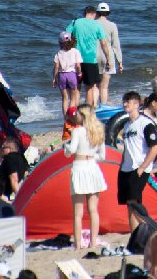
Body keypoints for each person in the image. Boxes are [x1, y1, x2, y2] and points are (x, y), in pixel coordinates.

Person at [65, 105, 107, 251]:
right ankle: (93, 242)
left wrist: (66, 145)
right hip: (93, 168)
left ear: (82, 116)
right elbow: (102, 156)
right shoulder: (99, 131)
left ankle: (78, 244)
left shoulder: (77, 131)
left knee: (78, 212)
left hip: (79, 167)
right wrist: (91, 156)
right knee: (93, 209)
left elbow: (71, 151)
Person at [118, 91, 157, 231]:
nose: (125, 104)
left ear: (136, 104)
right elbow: (128, 148)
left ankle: (136, 234)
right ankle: (140, 233)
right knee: (131, 203)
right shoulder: (126, 126)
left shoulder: (145, 123)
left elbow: (155, 146)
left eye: (128, 102)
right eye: (124, 101)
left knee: (133, 202)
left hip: (139, 168)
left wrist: (143, 167)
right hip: (126, 168)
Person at [67, 6, 114, 108]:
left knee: (76, 89)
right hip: (90, 60)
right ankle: (87, 113)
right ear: (94, 14)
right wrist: (108, 59)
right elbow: (104, 44)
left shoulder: (75, 22)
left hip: (75, 60)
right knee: (90, 88)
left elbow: (66, 36)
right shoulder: (97, 25)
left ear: (85, 13)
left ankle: (73, 113)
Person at [95, 2, 123, 105]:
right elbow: (116, 45)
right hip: (107, 57)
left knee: (95, 85)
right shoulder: (112, 25)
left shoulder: (92, 24)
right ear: (108, 13)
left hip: (93, 56)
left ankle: (94, 106)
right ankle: (103, 106)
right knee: (104, 86)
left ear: (97, 13)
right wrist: (120, 61)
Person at [52, 32, 82, 117]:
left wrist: (54, 78)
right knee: (73, 98)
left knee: (65, 98)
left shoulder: (59, 53)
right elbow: (78, 66)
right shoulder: (75, 51)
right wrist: (79, 73)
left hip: (61, 75)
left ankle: (65, 118)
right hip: (72, 74)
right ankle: (71, 116)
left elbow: (56, 67)